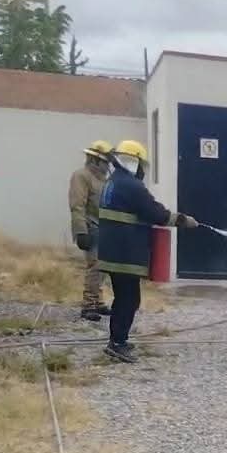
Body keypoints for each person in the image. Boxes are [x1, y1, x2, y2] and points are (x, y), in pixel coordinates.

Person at [97, 139, 198, 363]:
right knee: (129, 299)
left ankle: (117, 339)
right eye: (141, 164)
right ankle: (117, 343)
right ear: (133, 161)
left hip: (113, 250)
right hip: (124, 252)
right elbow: (155, 212)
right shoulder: (131, 185)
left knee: (123, 297)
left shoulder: (113, 181)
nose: (142, 170)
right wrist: (182, 220)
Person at [68, 140, 113, 321]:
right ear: (95, 160)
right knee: (95, 266)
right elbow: (77, 205)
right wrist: (81, 231)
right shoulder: (81, 176)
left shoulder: (104, 179)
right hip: (90, 228)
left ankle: (98, 301)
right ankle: (88, 305)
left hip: (104, 228)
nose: (108, 165)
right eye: (105, 162)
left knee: (102, 268)